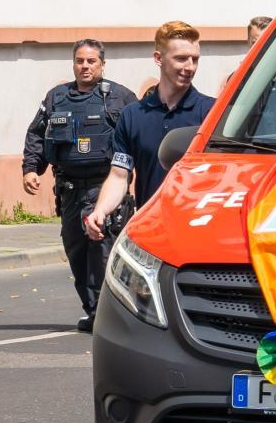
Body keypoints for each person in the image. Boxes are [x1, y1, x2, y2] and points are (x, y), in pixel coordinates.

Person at [22, 39, 137, 331]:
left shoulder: (120, 98)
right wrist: (31, 169)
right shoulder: (56, 98)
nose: (85, 66)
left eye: (91, 61)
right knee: (76, 251)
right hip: (69, 189)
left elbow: (139, 135)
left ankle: (109, 313)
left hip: (105, 188)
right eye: (80, 61)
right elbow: (37, 133)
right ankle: (93, 311)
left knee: (102, 250)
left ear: (102, 64)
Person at [86, 21, 216, 241]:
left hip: (200, 230)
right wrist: (100, 210)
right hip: (152, 231)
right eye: (181, 58)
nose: (190, 67)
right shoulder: (132, 115)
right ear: (158, 58)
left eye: (195, 59)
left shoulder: (212, 113)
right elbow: (119, 175)